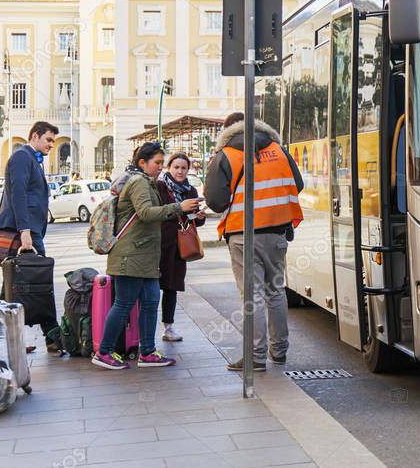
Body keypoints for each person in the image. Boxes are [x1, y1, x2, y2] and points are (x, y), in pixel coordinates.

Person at [205, 112, 304, 372]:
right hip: (278, 232)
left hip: (243, 235)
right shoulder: (279, 151)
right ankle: (279, 352)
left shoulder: (226, 155)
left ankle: (256, 357)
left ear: (228, 131)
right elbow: (298, 184)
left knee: (253, 297)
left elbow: (214, 200)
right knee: (276, 292)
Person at [91, 142, 200, 370]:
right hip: (131, 255)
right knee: (124, 304)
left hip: (145, 256)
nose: (160, 167)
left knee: (150, 302)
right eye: (157, 163)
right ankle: (104, 352)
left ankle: (148, 352)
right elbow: (146, 213)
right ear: (143, 163)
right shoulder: (139, 182)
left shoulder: (146, 182)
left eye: (162, 163)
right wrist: (178, 207)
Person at [0, 121, 61, 353]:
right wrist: (24, 231)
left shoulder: (32, 158)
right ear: (35, 136)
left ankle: (3, 338)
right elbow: (18, 195)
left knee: (13, 287)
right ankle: (53, 336)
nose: (51, 145)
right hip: (25, 232)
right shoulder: (22, 157)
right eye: (48, 140)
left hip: (30, 230)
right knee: (37, 282)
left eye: (53, 141)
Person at [155, 152, 205, 343]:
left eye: (184, 168)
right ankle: (143, 330)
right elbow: (155, 213)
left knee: (171, 287)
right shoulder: (160, 186)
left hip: (178, 248)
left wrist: (198, 217)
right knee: (149, 289)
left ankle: (168, 327)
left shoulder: (191, 191)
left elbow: (191, 220)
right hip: (158, 244)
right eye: (176, 167)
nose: (180, 171)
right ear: (169, 168)